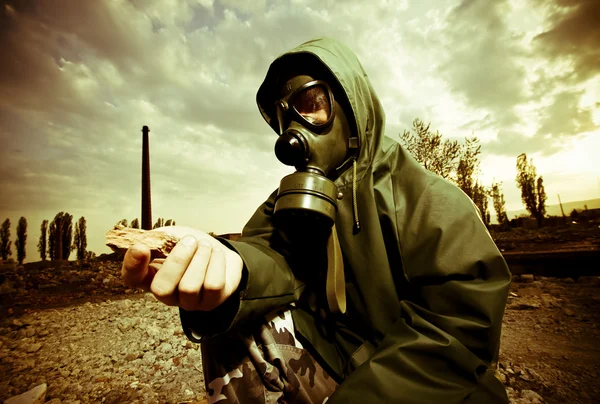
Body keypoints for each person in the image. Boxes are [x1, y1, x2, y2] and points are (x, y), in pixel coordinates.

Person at [121, 37, 511, 403]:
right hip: (341, 357)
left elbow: (457, 333)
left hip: (418, 387)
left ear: (350, 107)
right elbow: (267, 254)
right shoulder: (287, 202)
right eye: (283, 116)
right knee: (231, 310)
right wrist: (232, 268)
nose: (292, 131)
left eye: (310, 102)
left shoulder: (429, 200)